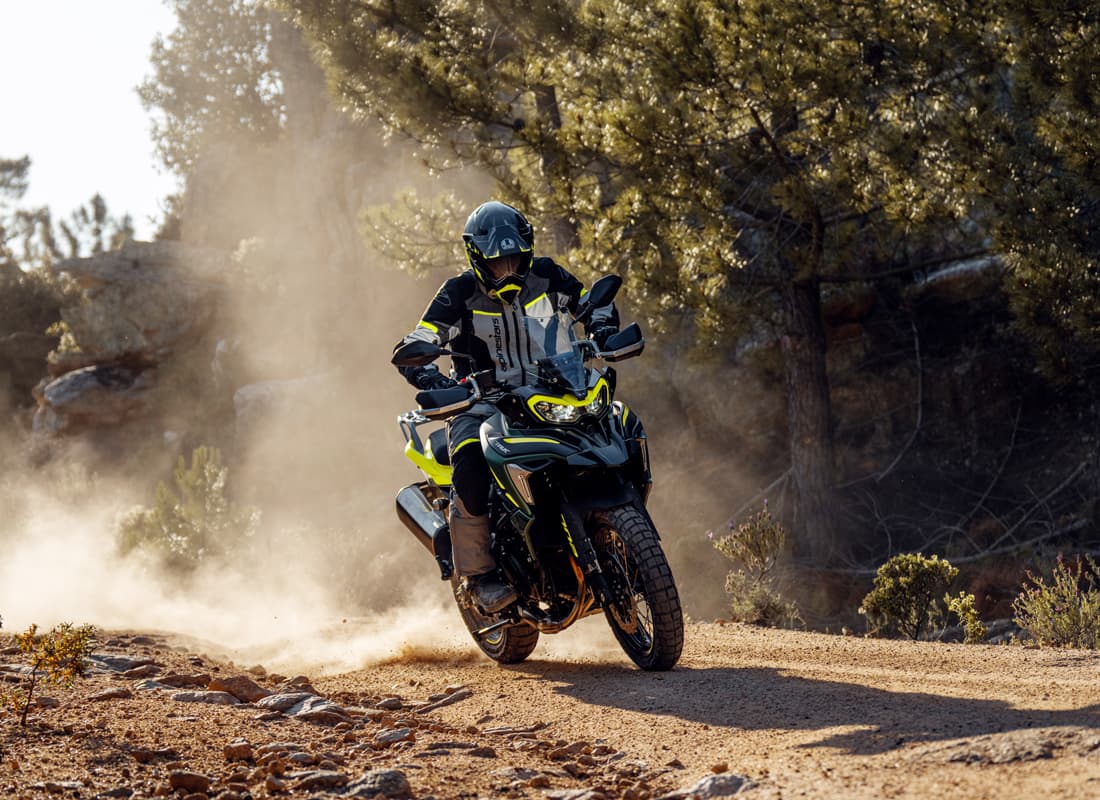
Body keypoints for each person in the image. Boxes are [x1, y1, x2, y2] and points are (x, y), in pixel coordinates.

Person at [393, 201, 619, 612]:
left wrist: (602, 327)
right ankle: (479, 575)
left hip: (552, 389)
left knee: (613, 423)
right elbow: (416, 341)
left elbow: (590, 302)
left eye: (514, 259)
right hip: (480, 403)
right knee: (471, 462)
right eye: (498, 263)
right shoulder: (458, 292)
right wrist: (433, 378)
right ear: (478, 259)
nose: (508, 269)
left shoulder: (548, 275)